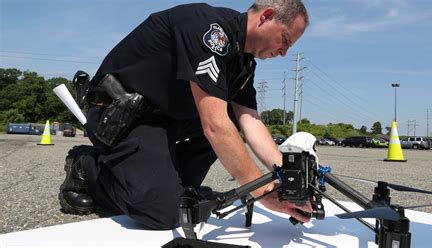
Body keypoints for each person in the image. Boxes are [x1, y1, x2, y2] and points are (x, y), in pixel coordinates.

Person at [59, 0, 311, 230]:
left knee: (186, 190)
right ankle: (86, 167)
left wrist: (289, 177)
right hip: (123, 116)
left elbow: (251, 122)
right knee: (162, 211)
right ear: (266, 16)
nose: (284, 52)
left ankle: (160, 182)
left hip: (163, 121)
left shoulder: (243, 63)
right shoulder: (208, 29)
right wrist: (264, 191)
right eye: (285, 39)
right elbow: (215, 125)